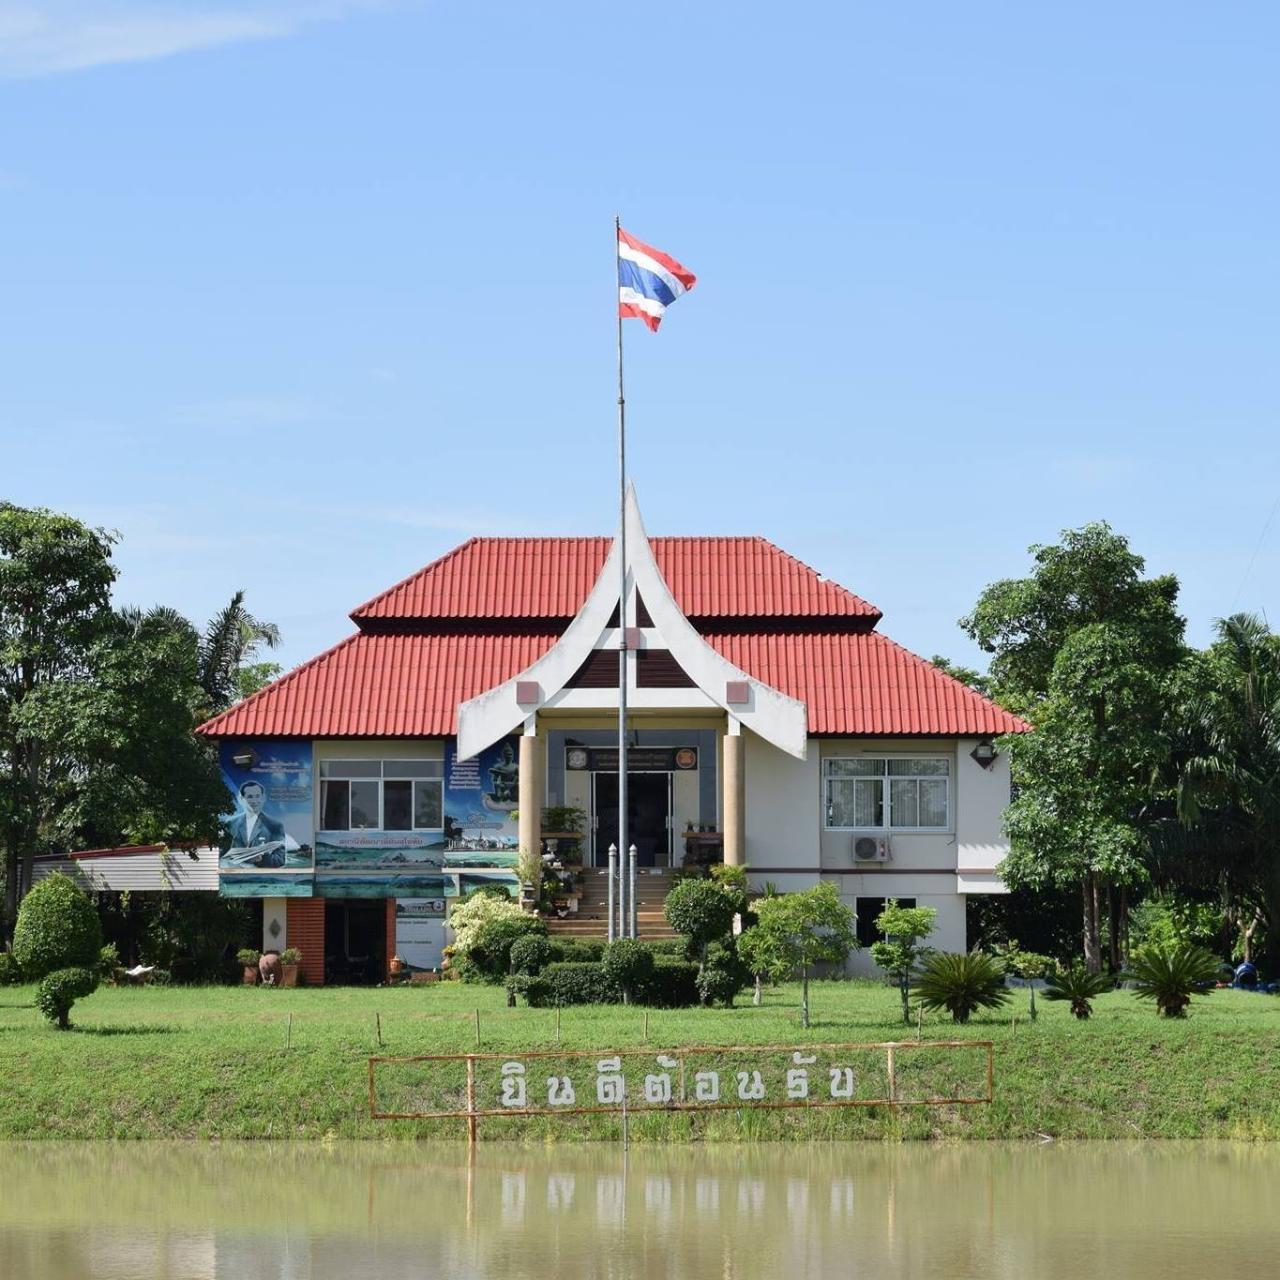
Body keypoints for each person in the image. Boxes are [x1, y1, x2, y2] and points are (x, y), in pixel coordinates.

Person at [221, 780, 288, 867]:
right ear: (241, 799)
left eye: (257, 796)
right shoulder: (231, 823)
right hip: (234, 876)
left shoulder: (274, 825)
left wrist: (261, 859)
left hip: (258, 878)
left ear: (263, 798)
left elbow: (280, 859)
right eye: (250, 796)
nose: (254, 800)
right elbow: (222, 854)